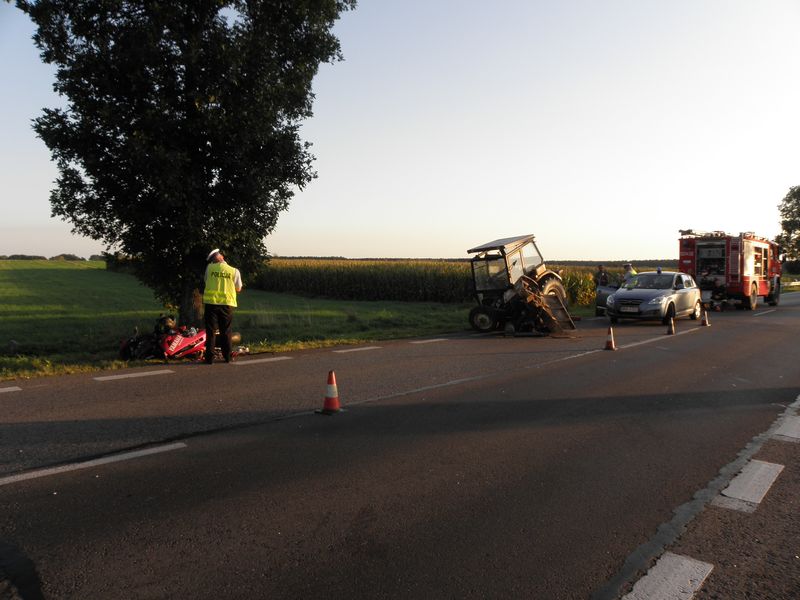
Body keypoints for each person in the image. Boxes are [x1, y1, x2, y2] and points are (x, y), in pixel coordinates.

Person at [202, 248, 243, 364]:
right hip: (227, 305)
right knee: (226, 331)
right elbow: (238, 288)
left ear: (212, 260)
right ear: (222, 257)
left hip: (211, 303)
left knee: (211, 331)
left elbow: (206, 281)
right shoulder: (234, 271)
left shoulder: (209, 268)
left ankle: (209, 358)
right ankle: (227, 357)